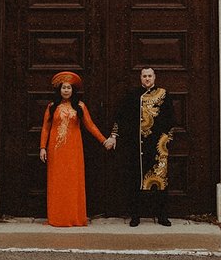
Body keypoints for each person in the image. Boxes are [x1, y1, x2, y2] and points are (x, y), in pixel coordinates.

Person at [39, 69, 110, 227]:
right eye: (63, 87)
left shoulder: (80, 106)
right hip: (56, 150)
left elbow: (90, 126)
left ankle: (74, 217)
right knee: (57, 182)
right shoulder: (52, 107)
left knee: (73, 182)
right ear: (59, 90)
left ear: (73, 90)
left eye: (69, 88)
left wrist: (104, 141)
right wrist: (42, 147)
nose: (66, 90)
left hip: (73, 150)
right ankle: (57, 217)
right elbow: (45, 128)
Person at [109, 65, 176, 226]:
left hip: (157, 146)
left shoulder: (164, 94)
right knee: (136, 181)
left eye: (149, 76)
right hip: (136, 146)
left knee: (159, 181)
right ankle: (135, 215)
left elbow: (171, 119)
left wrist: (166, 140)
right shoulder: (133, 95)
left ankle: (162, 215)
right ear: (140, 78)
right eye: (144, 76)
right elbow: (120, 116)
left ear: (154, 77)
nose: (147, 79)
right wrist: (114, 135)